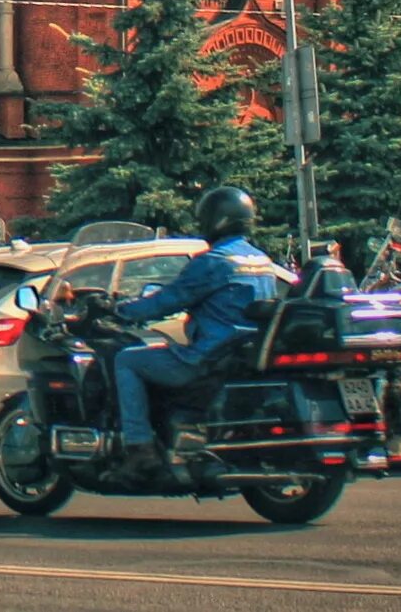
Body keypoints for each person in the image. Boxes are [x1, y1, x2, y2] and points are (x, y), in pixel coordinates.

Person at [110, 185, 285, 474]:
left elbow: (168, 301)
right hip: (244, 356)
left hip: (210, 358)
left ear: (216, 219)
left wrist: (120, 311)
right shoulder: (262, 261)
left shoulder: (215, 262)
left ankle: (139, 447)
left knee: (127, 360)